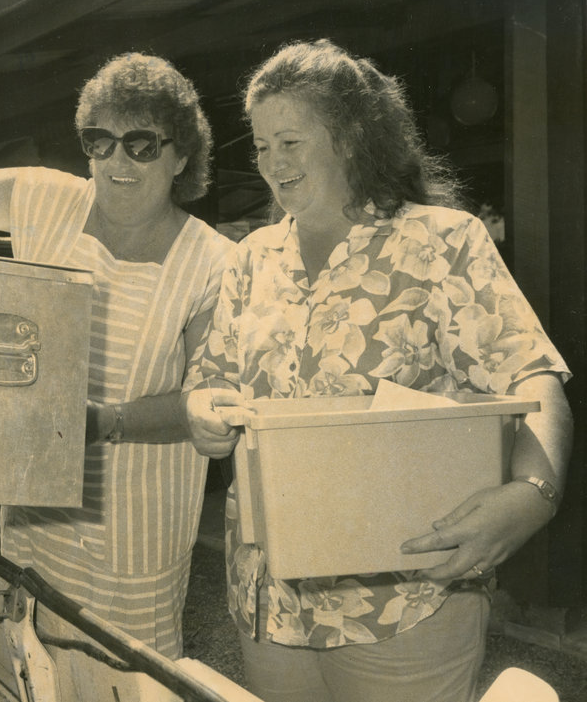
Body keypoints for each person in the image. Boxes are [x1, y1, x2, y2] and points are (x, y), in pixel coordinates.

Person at [183, 39, 573, 702]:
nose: (272, 163)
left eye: (290, 141)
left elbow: (532, 377)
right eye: (261, 145)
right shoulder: (250, 259)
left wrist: (535, 491)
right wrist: (201, 410)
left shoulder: (440, 242)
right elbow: (211, 379)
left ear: (349, 136)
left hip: (406, 598)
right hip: (268, 596)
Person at [0, 52, 233, 663]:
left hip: (138, 530)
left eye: (141, 144)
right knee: (33, 667)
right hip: (35, 518)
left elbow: (206, 402)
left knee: (127, 678)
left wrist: (103, 422)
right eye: (99, 141)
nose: (116, 161)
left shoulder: (214, 261)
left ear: (182, 156)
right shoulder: (48, 199)